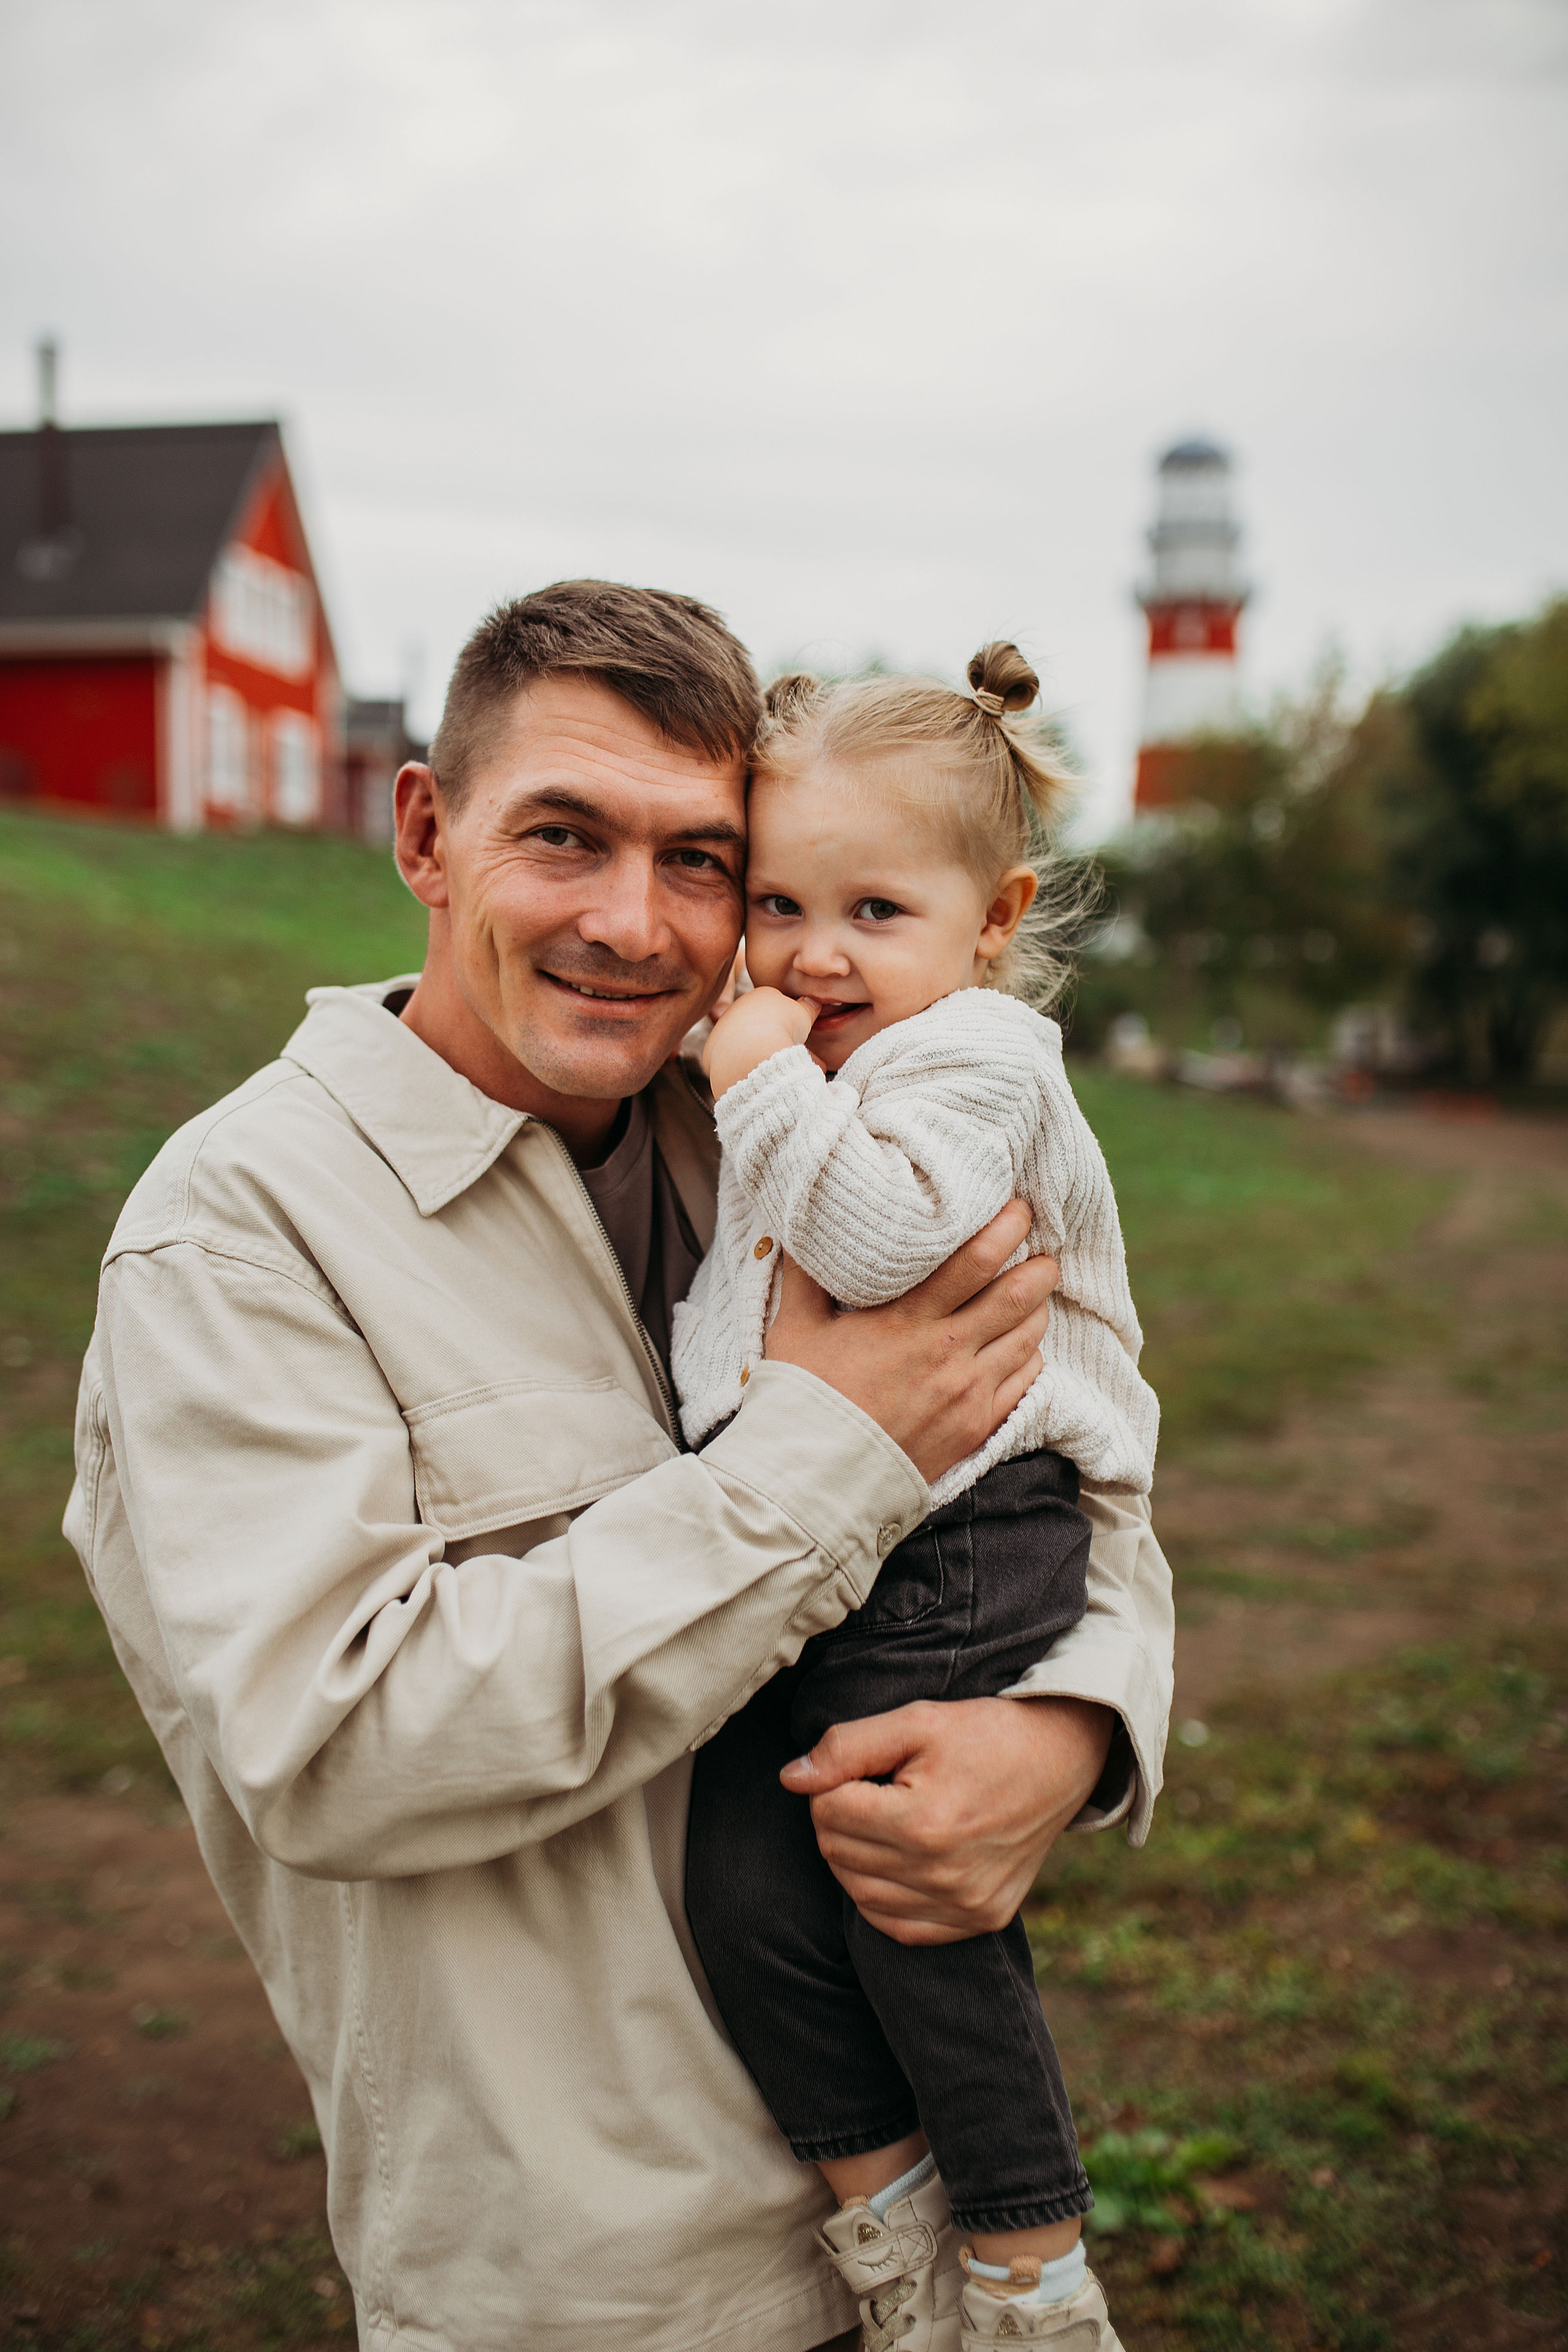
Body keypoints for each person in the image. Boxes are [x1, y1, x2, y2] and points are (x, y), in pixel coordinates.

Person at [64, 581, 1174, 2352]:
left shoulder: (789, 1118)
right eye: (563, 838)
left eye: (701, 860)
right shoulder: (240, 1239)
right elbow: (337, 1749)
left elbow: (1071, 1425)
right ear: (425, 831)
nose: (633, 923)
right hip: (595, 2282)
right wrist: (831, 1450)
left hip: (912, 2215)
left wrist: (1077, 1720)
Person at [677, 647, 1155, 2350]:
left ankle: (1029, 2265)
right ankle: (887, 2213)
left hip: (968, 1532)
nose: (812, 953)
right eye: (782, 901)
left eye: (874, 907)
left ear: (992, 917)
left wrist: (750, 1076)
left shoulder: (977, 1059)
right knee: (741, 1882)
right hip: (831, 1539)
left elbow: (880, 1241)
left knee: (900, 1884)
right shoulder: (822, 1055)